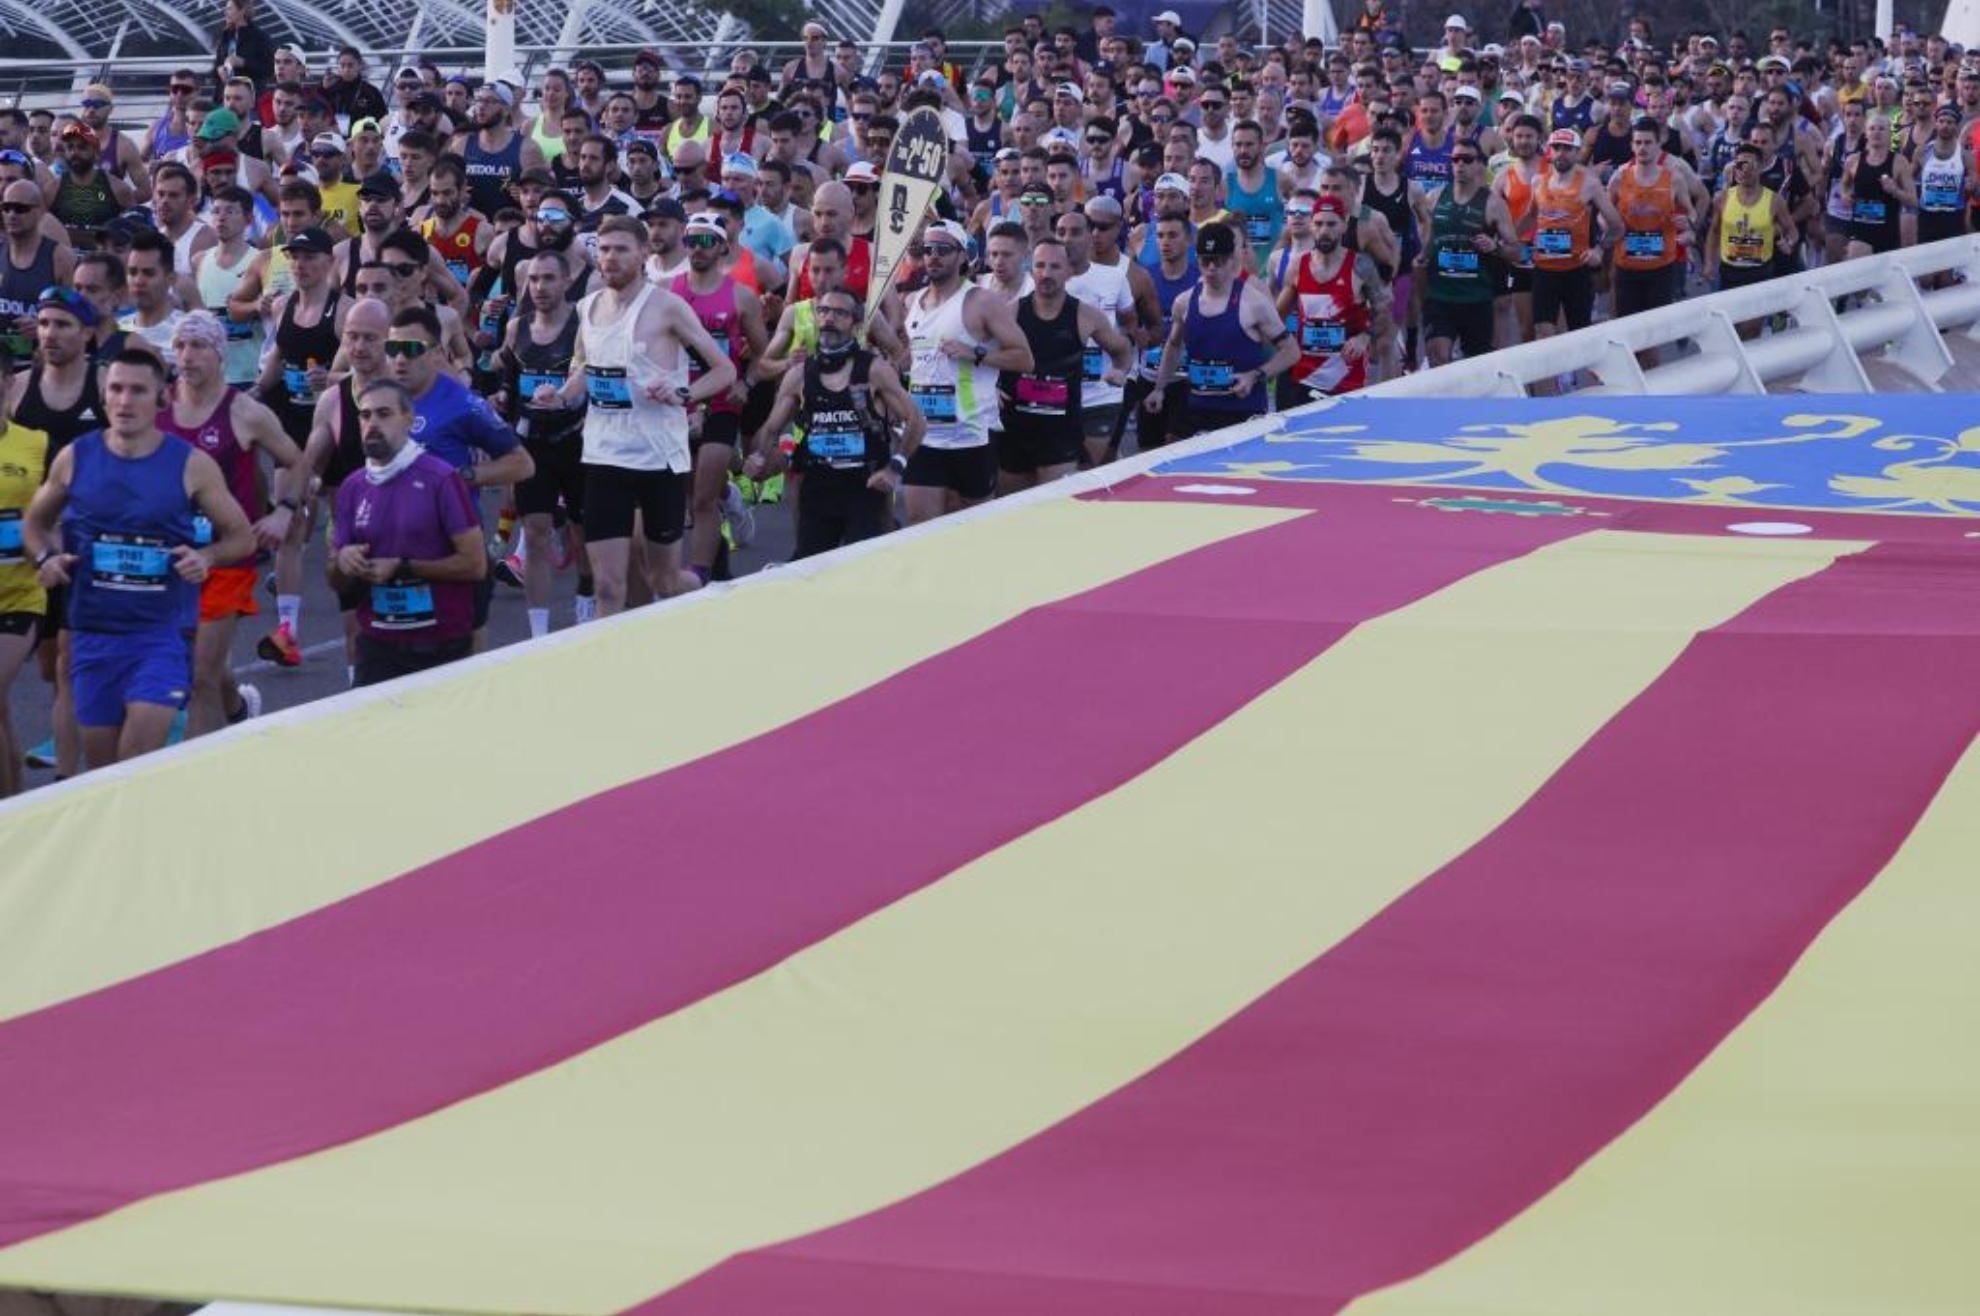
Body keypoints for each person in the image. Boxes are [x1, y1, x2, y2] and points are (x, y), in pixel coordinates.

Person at [22, 351, 254, 768]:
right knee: (106, 772)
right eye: (116, 389)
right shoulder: (75, 458)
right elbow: (34, 524)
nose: (125, 400)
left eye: (137, 390)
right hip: (92, 635)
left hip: (159, 636)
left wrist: (207, 556)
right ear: (104, 396)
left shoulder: (191, 465)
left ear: (161, 397)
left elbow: (241, 537)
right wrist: (45, 559)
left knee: (136, 761)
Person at [538, 215, 734, 613]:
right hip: (603, 456)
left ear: (644, 254)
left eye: (621, 249)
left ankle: (712, 590)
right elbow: (584, 364)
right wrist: (559, 395)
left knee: (663, 578)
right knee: (609, 586)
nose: (610, 258)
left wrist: (683, 393)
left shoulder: (667, 307)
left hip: (657, 459)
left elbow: (725, 371)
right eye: (604, 249)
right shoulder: (587, 306)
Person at [159, 313, 303, 735]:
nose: (187, 356)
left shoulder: (244, 412)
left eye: (199, 346)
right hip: (171, 554)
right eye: (181, 345)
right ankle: (238, 709)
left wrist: (282, 510)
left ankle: (201, 771)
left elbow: (294, 460)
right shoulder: (158, 405)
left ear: (220, 354)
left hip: (228, 553)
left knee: (199, 673)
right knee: (202, 659)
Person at [328, 378, 486, 685]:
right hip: (377, 644)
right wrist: (343, 562)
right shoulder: (353, 487)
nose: (372, 423)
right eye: (365, 415)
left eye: (384, 414)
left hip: (440, 644)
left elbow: (475, 564)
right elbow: (335, 581)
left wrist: (402, 567)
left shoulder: (440, 479)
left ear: (408, 420)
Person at [745, 285, 923, 558]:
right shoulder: (800, 375)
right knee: (811, 567)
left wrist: (894, 469)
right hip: (818, 487)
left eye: (840, 313)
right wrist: (758, 456)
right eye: (824, 311)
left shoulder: (874, 370)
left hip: (865, 487)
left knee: (863, 568)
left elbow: (917, 421)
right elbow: (770, 429)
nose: (829, 318)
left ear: (856, 325)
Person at [901, 219, 1032, 524]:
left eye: (943, 249)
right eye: (927, 249)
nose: (933, 255)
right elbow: (918, 356)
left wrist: (976, 353)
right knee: (920, 531)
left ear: (962, 256)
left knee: (970, 536)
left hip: (969, 437)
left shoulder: (981, 301)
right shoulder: (913, 301)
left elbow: (1025, 358)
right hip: (924, 435)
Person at [498, 252, 593, 633]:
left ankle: (587, 610)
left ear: (567, 281)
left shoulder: (581, 325)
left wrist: (565, 396)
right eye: (534, 279)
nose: (539, 287)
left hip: (577, 442)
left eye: (548, 279)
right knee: (535, 533)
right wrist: (502, 397)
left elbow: (591, 374)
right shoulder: (516, 327)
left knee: (583, 535)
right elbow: (508, 374)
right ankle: (539, 634)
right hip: (532, 445)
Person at [673, 211, 767, 580]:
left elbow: (763, 353)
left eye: (706, 241)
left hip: (723, 404)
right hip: (680, 403)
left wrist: (747, 384)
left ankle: (698, 578)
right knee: (690, 495)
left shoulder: (741, 297)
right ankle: (721, 564)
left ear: (723, 248)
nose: (697, 248)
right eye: (691, 241)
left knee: (702, 498)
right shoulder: (670, 291)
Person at [997, 236, 1131, 492]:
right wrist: (990, 387)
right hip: (1015, 429)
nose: (1046, 273)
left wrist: (1120, 370)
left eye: (1055, 267)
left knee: (1052, 511)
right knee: (1012, 514)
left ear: (1070, 270)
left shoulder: (1086, 315)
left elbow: (1121, 348)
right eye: (1040, 266)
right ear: (1030, 268)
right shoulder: (1011, 312)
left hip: (1061, 433)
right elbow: (982, 355)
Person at [1145, 222, 1297, 439]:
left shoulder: (1254, 302)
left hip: (1242, 412)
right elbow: (1174, 344)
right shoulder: (1185, 302)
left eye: (1218, 260)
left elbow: (1291, 352)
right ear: (1197, 260)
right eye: (1205, 261)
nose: (1211, 268)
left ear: (1230, 259)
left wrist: (1255, 376)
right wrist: (1159, 388)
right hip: (1196, 408)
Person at [0, 345, 45, 795]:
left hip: (21, 596)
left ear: (8, 381)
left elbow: (58, 511)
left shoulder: (34, 442)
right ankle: (13, 808)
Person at [1279, 196, 1377, 399]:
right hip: (1303, 377)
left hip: (1347, 380)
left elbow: (1386, 311)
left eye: (1331, 224)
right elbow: (1276, 317)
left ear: (1343, 226)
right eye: (1319, 223)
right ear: (1311, 226)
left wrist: (1365, 337)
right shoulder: (1298, 265)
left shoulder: (1361, 266)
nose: (1324, 231)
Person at [213, 0, 274, 100]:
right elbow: (216, 65)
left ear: (242, 11)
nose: (225, 12)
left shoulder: (259, 36)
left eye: (229, 9)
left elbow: (269, 68)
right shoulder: (225, 36)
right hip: (224, 97)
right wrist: (219, 70)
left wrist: (243, 63)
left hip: (250, 99)